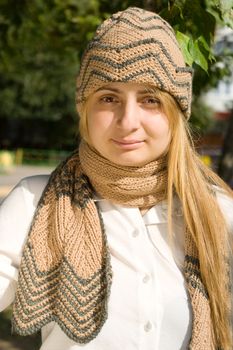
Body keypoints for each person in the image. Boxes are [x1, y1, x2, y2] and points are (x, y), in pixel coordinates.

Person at [0, 6, 232, 350]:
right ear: (84, 109)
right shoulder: (34, 201)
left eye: (150, 99)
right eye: (109, 98)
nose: (127, 121)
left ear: (176, 113)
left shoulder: (218, 211)